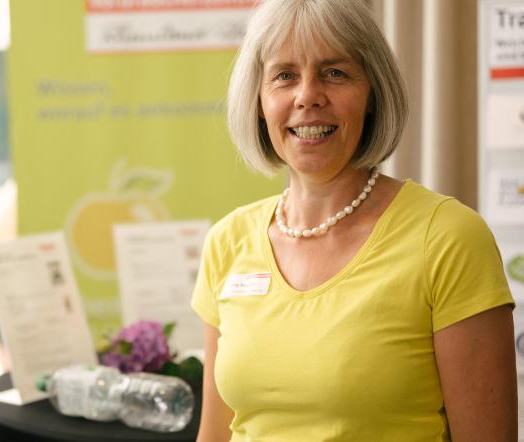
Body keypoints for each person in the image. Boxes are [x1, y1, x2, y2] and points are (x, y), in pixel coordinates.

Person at [191, 0, 517, 440]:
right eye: (284, 75)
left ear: (372, 95)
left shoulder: (447, 238)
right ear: (258, 101)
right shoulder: (227, 242)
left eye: (335, 73)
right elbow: (216, 434)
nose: (307, 95)